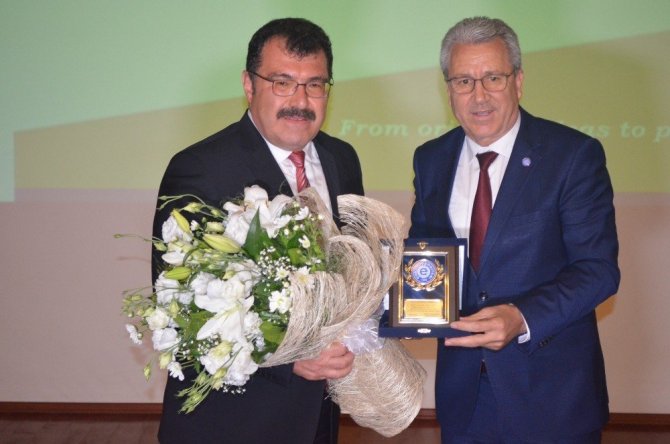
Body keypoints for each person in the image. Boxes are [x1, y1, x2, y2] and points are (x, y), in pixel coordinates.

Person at [152, 18, 363, 444]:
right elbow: (180, 307)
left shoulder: (342, 158)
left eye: (315, 85)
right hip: (232, 423)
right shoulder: (200, 168)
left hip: (318, 420)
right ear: (249, 85)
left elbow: (352, 270)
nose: (300, 101)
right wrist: (291, 359)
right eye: (282, 83)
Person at [409, 16, 620, 443]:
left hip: (552, 396)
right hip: (464, 398)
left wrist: (521, 316)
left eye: (493, 78)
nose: (479, 95)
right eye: (464, 81)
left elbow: (598, 271)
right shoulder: (431, 158)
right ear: (448, 90)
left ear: (518, 82)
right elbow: (425, 258)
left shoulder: (572, 155)